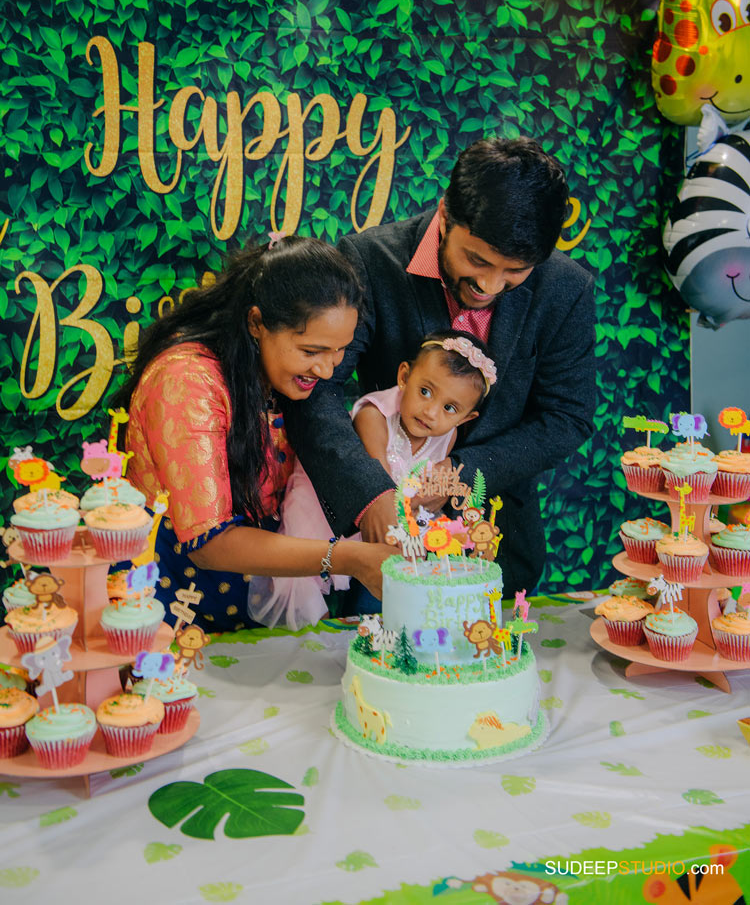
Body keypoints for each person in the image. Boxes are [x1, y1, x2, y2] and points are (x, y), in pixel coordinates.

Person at [284, 136, 596, 597]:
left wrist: (459, 473)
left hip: (497, 538)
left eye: (515, 271)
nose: (490, 284)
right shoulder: (371, 260)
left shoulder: (565, 289)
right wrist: (372, 492)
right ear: (446, 215)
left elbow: (567, 417)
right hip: (375, 544)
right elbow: (317, 391)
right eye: (477, 260)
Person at [113, 237, 394, 632]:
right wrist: (348, 558)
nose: (328, 370)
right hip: (168, 601)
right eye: (311, 351)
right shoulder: (186, 382)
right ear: (256, 323)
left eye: (339, 351)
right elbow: (210, 544)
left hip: (251, 603)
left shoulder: (279, 376)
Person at [250, 328, 497, 629]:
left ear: (465, 419)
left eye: (449, 408)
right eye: (425, 391)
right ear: (404, 376)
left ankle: (372, 633)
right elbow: (379, 482)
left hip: (388, 520)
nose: (431, 412)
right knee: (309, 589)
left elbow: (426, 497)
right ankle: (313, 642)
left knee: (387, 584)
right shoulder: (374, 415)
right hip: (329, 506)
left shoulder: (447, 436)